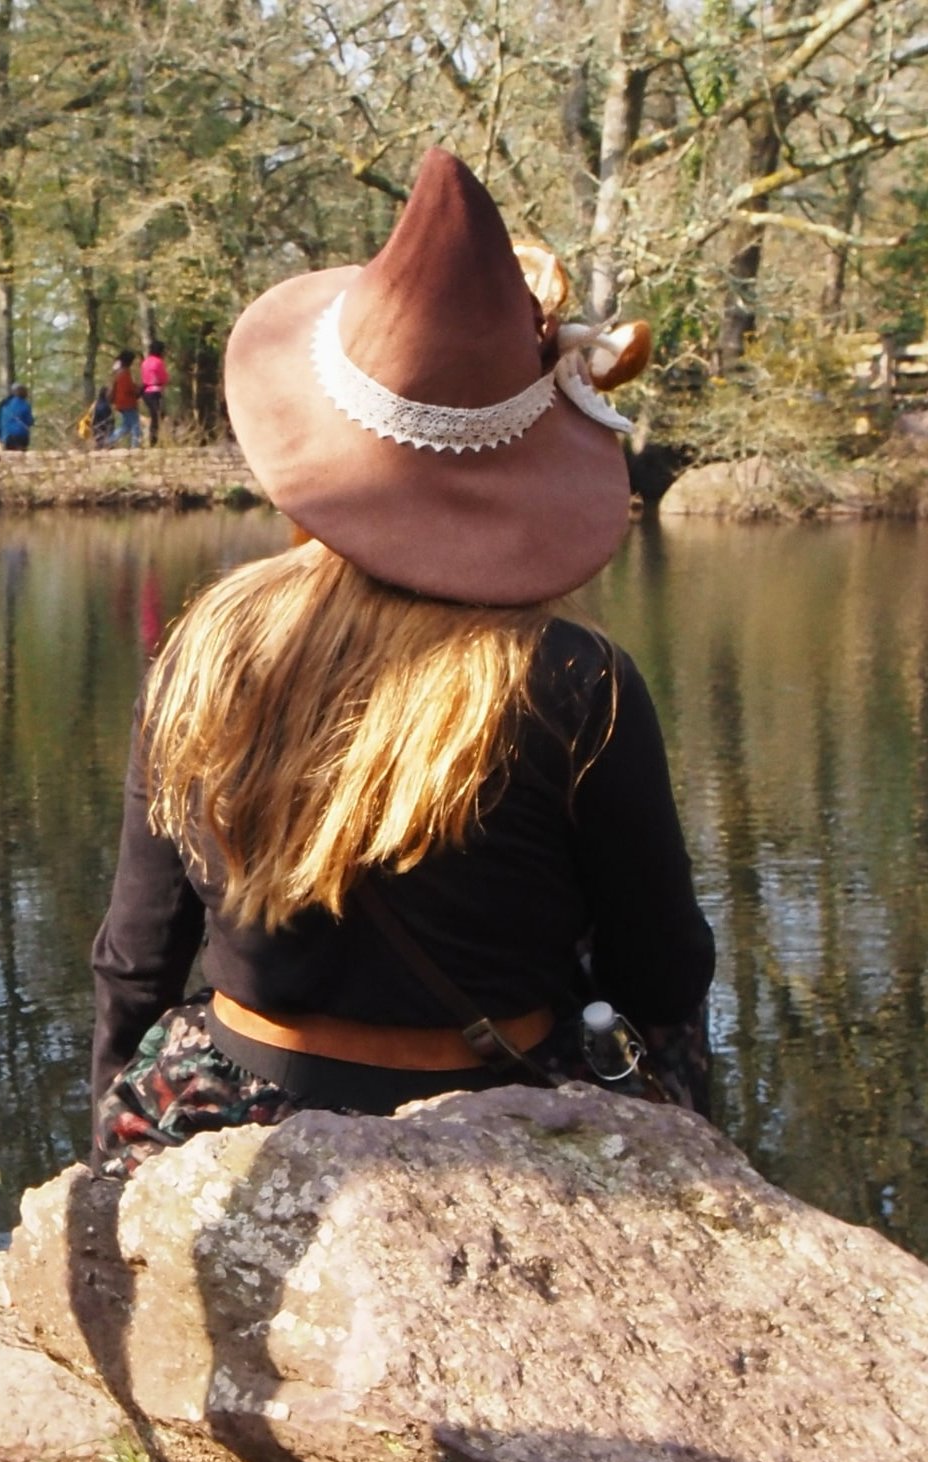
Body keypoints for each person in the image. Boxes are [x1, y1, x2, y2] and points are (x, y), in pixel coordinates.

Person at [90, 147, 714, 1178]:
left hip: (234, 1107)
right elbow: (666, 966)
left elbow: (137, 953)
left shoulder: (204, 646)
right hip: (498, 1119)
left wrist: (116, 1130)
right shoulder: (578, 681)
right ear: (528, 464)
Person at [110, 350, 142, 448]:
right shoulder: (125, 373)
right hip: (128, 403)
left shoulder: (118, 372)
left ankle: (108, 441)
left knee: (126, 426)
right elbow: (128, 388)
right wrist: (138, 389)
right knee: (135, 425)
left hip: (120, 403)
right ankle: (135, 446)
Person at [140, 340, 168, 446]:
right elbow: (163, 378)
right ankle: (154, 440)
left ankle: (153, 439)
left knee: (155, 415)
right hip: (156, 391)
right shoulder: (159, 362)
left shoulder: (145, 362)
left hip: (146, 392)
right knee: (158, 416)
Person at [0, 382, 33, 451]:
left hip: (8, 436)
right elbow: (30, 421)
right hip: (22, 436)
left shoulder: (4, 405)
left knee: (10, 457)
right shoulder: (25, 405)